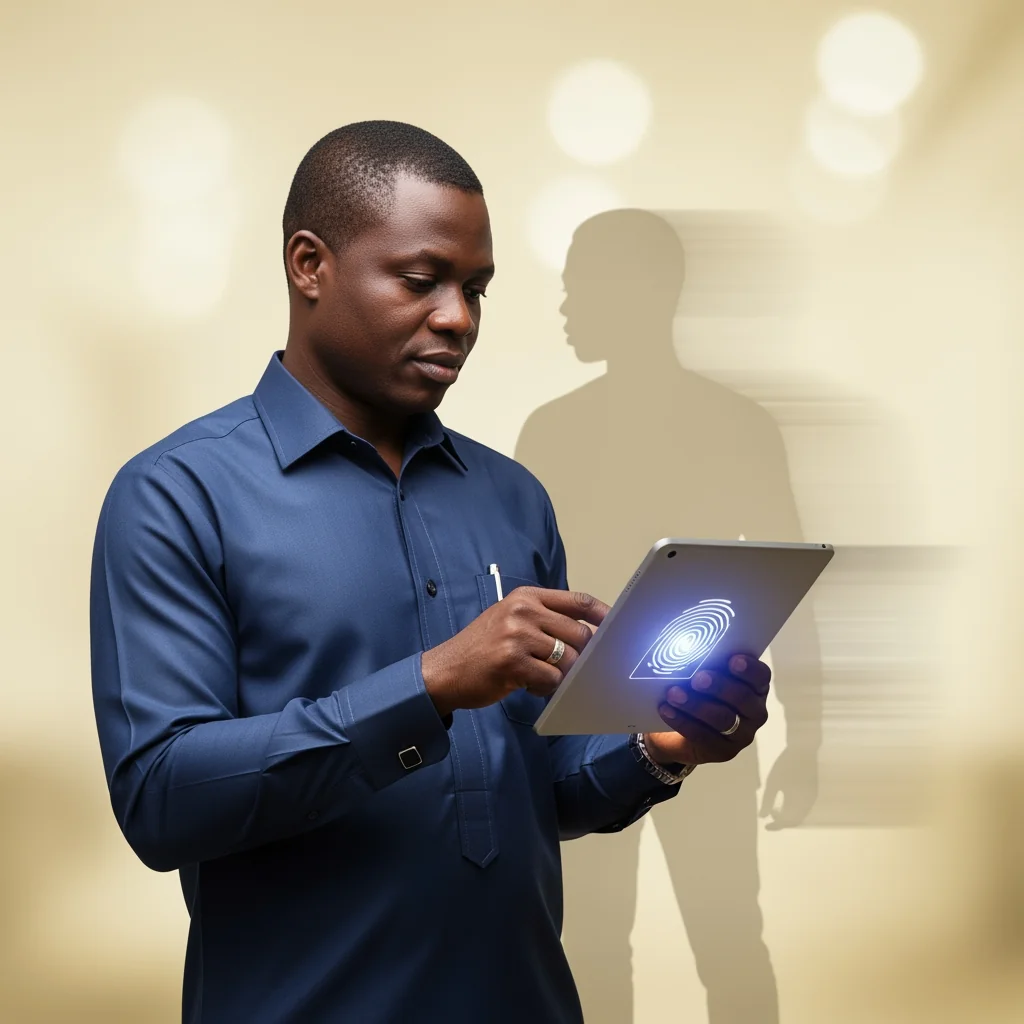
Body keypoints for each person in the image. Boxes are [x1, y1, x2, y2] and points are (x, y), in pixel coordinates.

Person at [90, 121, 773, 1024]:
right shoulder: (176, 494)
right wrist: (432, 684)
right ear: (309, 265)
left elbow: (543, 791)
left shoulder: (514, 497)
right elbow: (162, 799)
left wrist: (664, 747)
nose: (458, 317)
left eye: (476, 289)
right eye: (422, 280)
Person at [515, 208, 824, 1023]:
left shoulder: (558, 431)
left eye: (579, 282)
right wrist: (810, 737)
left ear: (639, 292)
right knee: (673, 947)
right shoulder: (727, 425)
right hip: (674, 718)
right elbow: (787, 586)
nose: (566, 303)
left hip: (659, 727)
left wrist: (811, 735)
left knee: (684, 946)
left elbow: (788, 585)